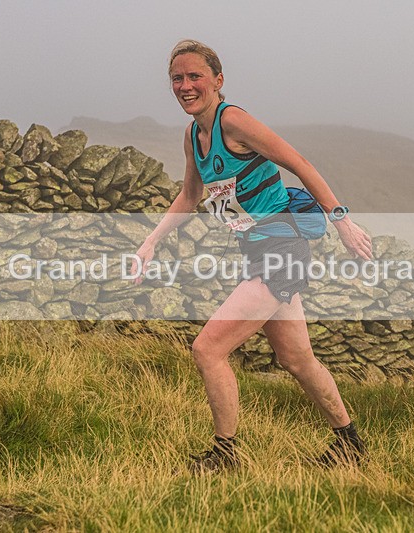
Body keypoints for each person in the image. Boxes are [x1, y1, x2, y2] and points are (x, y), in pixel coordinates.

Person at [132, 39, 374, 473]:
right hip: (258, 251)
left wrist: (342, 222)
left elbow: (298, 162)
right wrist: (151, 242)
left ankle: (225, 457)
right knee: (298, 359)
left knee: (208, 349)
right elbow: (189, 197)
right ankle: (350, 445)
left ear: (218, 81)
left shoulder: (234, 122)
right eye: (177, 78)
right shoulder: (194, 136)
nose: (186, 86)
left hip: (282, 250)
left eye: (195, 77)